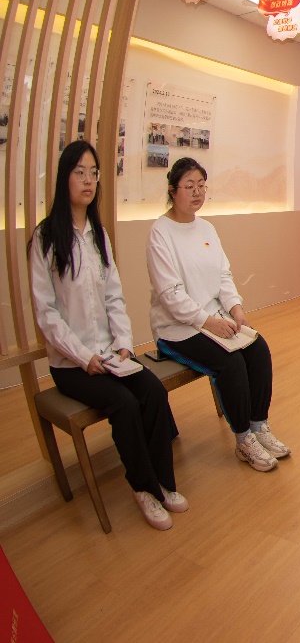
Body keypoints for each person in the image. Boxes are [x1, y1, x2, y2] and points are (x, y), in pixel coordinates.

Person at [30, 142, 185, 530]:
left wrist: (124, 346)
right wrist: (85, 357)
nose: (88, 180)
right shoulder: (46, 237)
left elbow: (114, 297)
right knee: (124, 403)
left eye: (94, 173)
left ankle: (164, 483)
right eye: (79, 172)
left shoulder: (98, 234)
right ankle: (143, 488)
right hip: (72, 364)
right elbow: (47, 314)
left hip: (111, 355)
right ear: (64, 178)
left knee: (152, 391)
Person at [148, 157, 290, 473]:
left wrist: (236, 309)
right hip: (177, 328)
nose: (197, 192)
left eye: (201, 185)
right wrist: (209, 323)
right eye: (189, 186)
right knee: (230, 363)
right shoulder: (161, 232)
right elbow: (170, 295)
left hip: (214, 317)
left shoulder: (206, 228)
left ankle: (258, 425)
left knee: (258, 349)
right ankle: (243, 439)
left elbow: (223, 275)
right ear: (172, 190)